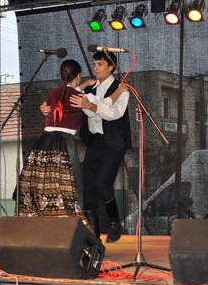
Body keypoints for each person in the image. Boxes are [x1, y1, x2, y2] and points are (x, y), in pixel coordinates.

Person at [20, 59, 125, 230]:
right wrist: (119, 91)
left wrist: (84, 84)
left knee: (44, 185)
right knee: (71, 187)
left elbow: (68, 92)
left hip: (44, 143)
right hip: (63, 144)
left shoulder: (51, 93)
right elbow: (104, 103)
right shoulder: (81, 97)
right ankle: (84, 234)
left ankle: (42, 227)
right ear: (78, 75)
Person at [69, 51, 131, 243]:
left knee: (102, 184)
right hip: (94, 141)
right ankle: (93, 238)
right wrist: (85, 87)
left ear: (111, 67)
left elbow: (114, 113)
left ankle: (115, 223)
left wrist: (90, 105)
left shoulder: (122, 89)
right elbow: (72, 96)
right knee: (88, 189)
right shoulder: (90, 88)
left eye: (100, 64)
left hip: (114, 143)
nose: (95, 67)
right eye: (94, 64)